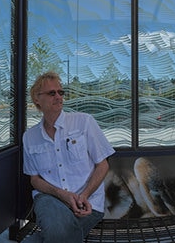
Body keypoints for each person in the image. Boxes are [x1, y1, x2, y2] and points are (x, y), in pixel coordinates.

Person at [23, 71, 114, 242]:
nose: (58, 96)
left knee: (51, 235)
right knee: (56, 226)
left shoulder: (84, 122)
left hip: (87, 204)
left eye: (60, 92)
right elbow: (34, 179)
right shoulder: (29, 137)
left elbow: (103, 165)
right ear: (37, 99)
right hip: (50, 200)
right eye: (52, 93)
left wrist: (84, 195)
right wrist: (60, 194)